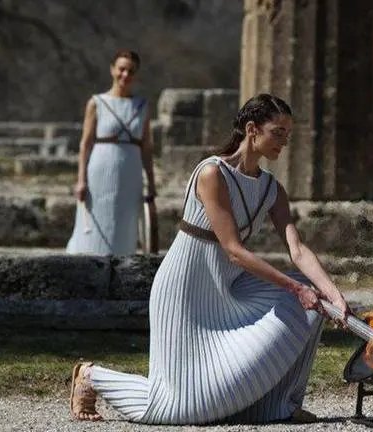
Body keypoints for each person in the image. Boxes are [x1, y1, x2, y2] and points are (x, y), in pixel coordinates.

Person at [68, 93, 351, 425]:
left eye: (288, 134)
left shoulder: (272, 189)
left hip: (228, 291)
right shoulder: (212, 173)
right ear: (252, 129)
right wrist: (295, 288)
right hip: (185, 292)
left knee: (313, 302)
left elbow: (297, 249)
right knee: (178, 407)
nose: (284, 142)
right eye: (278, 132)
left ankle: (279, 406)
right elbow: (233, 249)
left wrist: (333, 294)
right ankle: (92, 376)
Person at [66, 50, 156, 255]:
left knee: (124, 223)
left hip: (130, 173)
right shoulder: (97, 103)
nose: (125, 75)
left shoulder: (142, 106)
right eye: (121, 69)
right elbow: (85, 144)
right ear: (112, 70)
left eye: (131, 71)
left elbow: (146, 147)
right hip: (100, 170)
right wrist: (80, 180)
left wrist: (151, 182)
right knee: (95, 222)